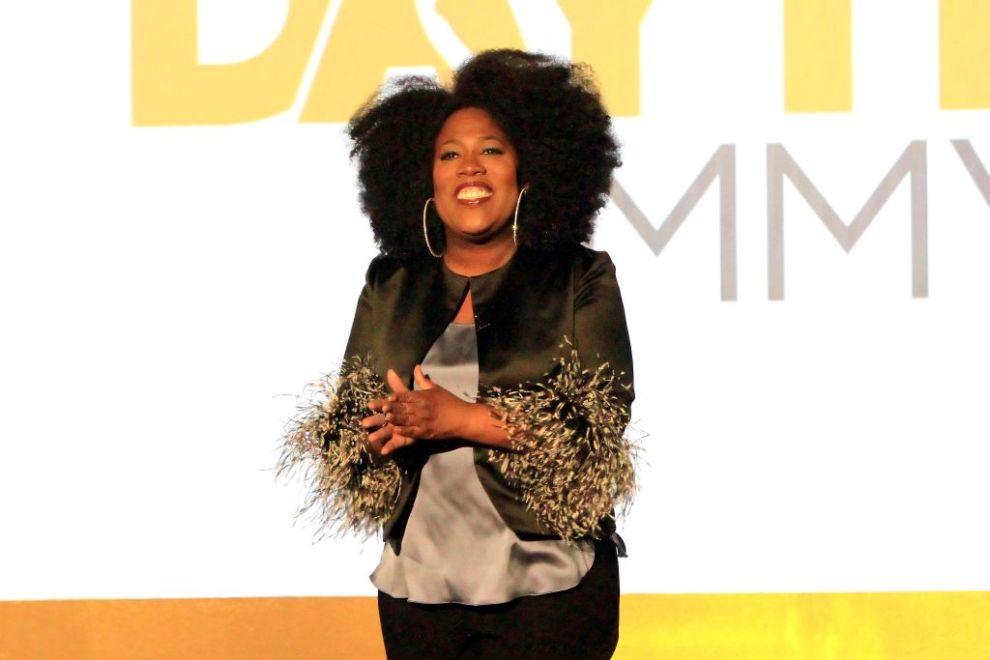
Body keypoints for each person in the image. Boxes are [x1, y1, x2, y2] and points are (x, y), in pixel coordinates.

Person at [279, 49, 636, 660]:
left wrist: (456, 418)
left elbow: (596, 432)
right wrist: (378, 431)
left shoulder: (580, 278)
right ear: (426, 179)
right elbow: (346, 428)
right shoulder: (389, 284)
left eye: (491, 150)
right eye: (450, 154)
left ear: (529, 171)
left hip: (550, 586)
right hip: (420, 589)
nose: (470, 167)